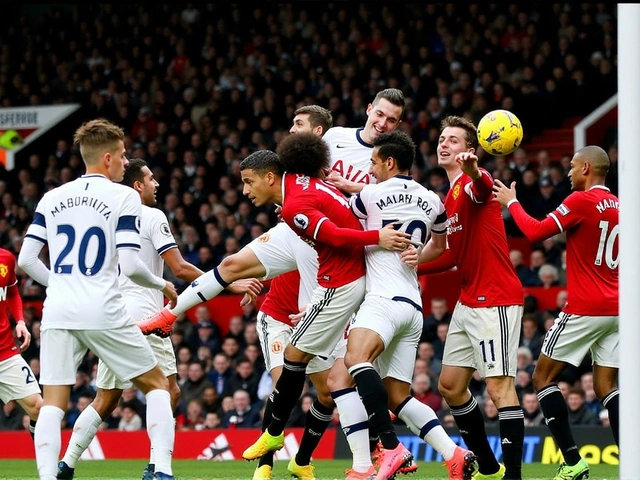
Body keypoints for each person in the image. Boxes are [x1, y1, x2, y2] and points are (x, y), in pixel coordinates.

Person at [55, 158, 261, 480]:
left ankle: (66, 464)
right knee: (165, 390)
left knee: (107, 399)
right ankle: (159, 469)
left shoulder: (107, 219)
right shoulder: (151, 215)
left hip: (112, 315)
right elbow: (178, 268)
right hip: (145, 314)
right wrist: (228, 283)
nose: (157, 184)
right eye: (151, 179)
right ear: (137, 185)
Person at [240, 133, 411, 479]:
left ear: (270, 177)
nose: (245, 191)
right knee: (326, 370)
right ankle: (289, 447)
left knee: (295, 359)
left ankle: (275, 437)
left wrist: (375, 237)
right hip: (342, 281)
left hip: (340, 284)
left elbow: (332, 234)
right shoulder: (304, 183)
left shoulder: (293, 206)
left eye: (248, 182)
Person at [18, 119, 179, 480]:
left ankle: (48, 476)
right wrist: (163, 285)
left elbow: (26, 261)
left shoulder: (52, 197)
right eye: (122, 156)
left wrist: (58, 283)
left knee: (53, 404)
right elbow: (131, 265)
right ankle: (163, 471)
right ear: (107, 158)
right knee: (157, 386)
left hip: (58, 311)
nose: (126, 163)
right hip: (104, 308)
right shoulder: (123, 196)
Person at [343, 130, 477, 479]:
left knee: (356, 359)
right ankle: (454, 453)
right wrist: (418, 256)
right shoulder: (432, 199)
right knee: (398, 397)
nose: (370, 170)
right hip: (412, 307)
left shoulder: (370, 195)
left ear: (389, 162)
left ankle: (390, 446)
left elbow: (341, 229)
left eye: (373, 163)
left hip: (383, 299)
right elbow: (439, 246)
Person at [493, 145, 619, 480]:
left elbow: (535, 232)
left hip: (585, 306)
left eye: (573, 167)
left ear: (588, 169)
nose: (568, 173)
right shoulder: (622, 206)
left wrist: (512, 203)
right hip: (618, 308)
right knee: (608, 387)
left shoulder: (581, 201)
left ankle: (573, 460)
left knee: (542, 378)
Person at [414, 116, 525, 480]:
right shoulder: (450, 194)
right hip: (468, 299)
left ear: (469, 150)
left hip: (496, 300)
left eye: (454, 140)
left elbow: (484, 186)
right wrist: (412, 265)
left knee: (499, 387)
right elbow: (452, 256)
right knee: (450, 386)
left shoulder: (471, 183)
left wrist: (476, 170)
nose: (444, 144)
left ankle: (512, 476)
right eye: (442, 139)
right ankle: (489, 467)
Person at [324, 88, 406, 194]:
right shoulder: (334, 135)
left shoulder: (394, 162)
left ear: (397, 125)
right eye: (379, 114)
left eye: (391, 120)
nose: (382, 124)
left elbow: (391, 196)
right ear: (369, 110)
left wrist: (349, 186)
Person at [0, 247, 42, 438]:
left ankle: (40, 447)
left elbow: (11, 291)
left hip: (6, 353)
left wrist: (20, 321)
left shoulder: (5, 258)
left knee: (39, 408)